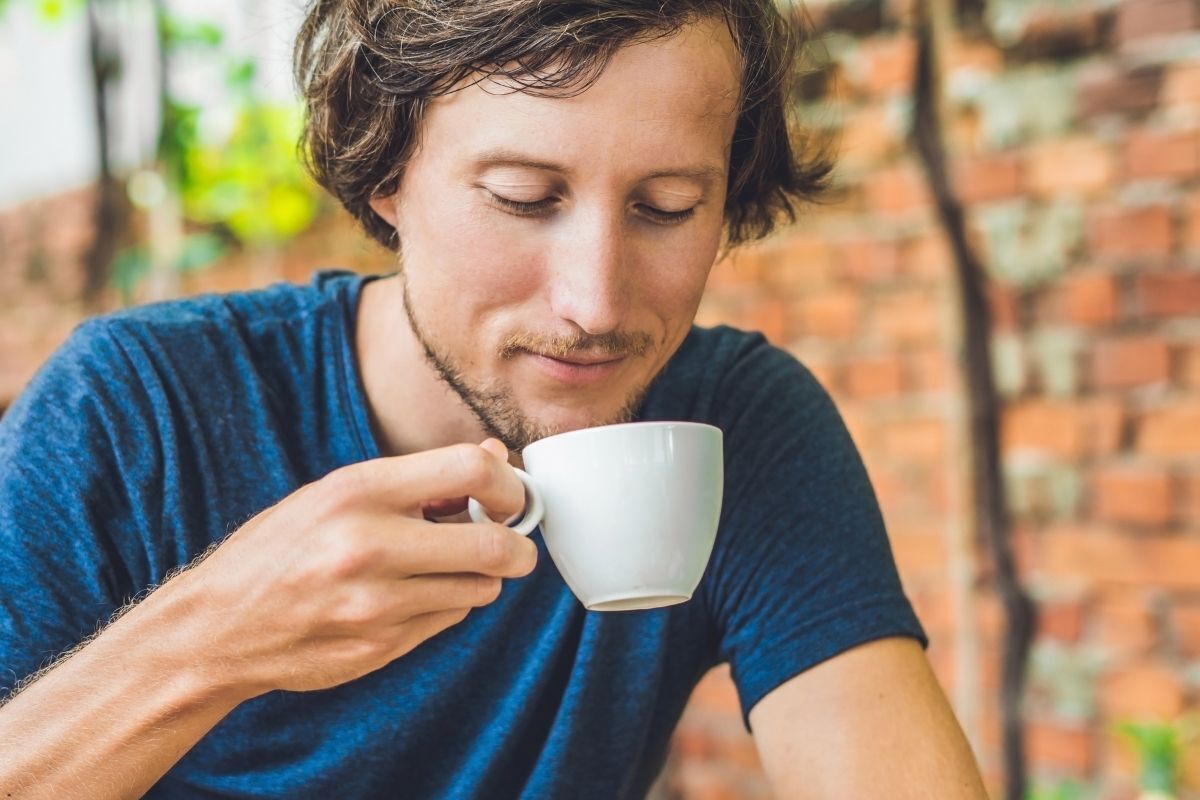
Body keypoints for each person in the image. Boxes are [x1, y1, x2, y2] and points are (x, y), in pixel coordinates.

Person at [0, 1, 989, 797]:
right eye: (523, 196)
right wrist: (211, 639)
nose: (595, 303)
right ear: (390, 174)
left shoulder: (737, 423)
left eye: (667, 208)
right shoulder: (132, 407)